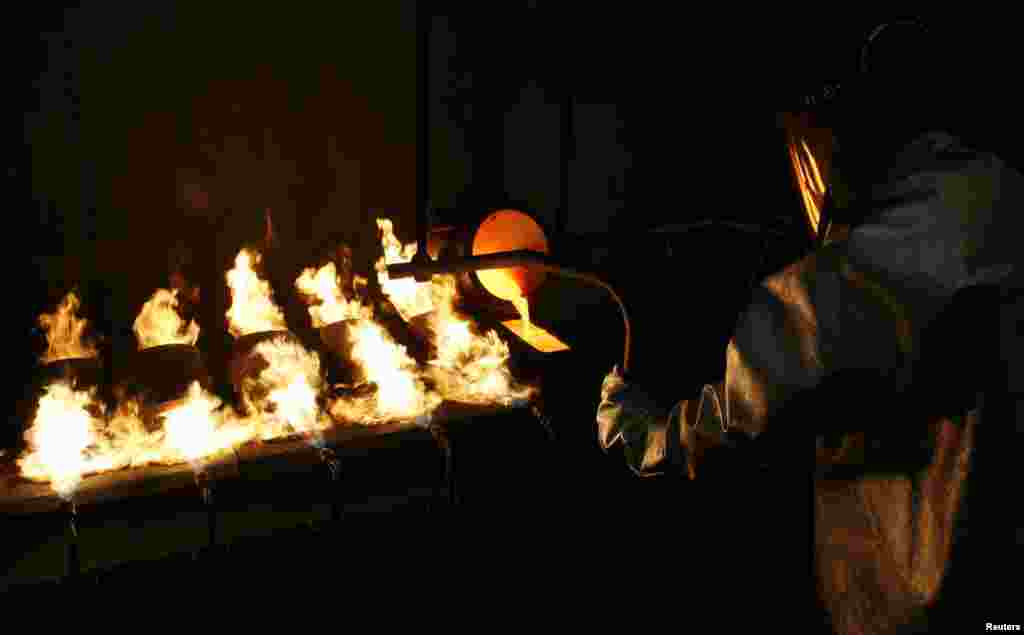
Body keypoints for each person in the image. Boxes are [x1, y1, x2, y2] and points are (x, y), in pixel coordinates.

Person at [595, 19, 1020, 634]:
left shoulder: (853, 277)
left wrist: (636, 430)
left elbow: (731, 430)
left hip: (915, 604)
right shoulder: (1000, 194)